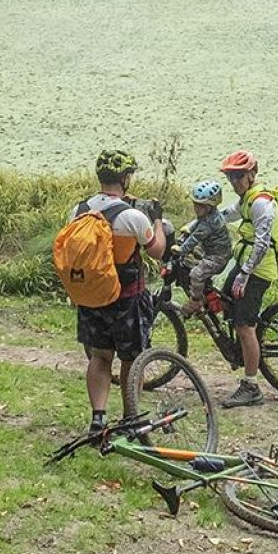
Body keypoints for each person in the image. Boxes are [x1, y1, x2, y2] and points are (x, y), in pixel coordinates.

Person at [71, 149, 166, 442]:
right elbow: (157, 250)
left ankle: (98, 419)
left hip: (91, 296)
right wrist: (158, 221)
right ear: (125, 179)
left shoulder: (79, 210)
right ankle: (130, 419)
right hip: (126, 298)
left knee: (100, 357)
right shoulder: (133, 216)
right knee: (131, 359)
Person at [218, 149, 276, 408]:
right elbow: (226, 214)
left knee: (245, 326)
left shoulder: (260, 202)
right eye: (231, 177)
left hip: (257, 270)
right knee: (224, 299)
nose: (235, 182)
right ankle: (242, 350)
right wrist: (196, 224)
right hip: (244, 264)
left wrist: (244, 273)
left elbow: (262, 243)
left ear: (252, 174)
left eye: (239, 176)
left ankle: (251, 387)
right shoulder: (246, 199)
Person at [169, 179, 234, 313]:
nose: (197, 209)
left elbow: (195, 238)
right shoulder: (208, 215)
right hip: (212, 252)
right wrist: (188, 227)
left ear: (210, 207)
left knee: (196, 274)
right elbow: (197, 221)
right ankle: (209, 297)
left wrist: (181, 250)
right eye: (195, 205)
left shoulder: (210, 223)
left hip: (218, 257)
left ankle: (196, 301)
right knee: (191, 264)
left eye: (201, 206)